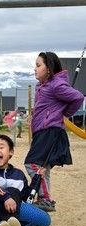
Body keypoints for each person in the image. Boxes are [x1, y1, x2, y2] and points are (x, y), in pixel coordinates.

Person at [24, 51, 84, 212]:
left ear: (49, 69)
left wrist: (65, 114)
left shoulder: (56, 85)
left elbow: (78, 97)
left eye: (38, 65)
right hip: (41, 132)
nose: (34, 69)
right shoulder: (41, 86)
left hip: (50, 130)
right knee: (43, 167)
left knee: (31, 164)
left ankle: (46, 199)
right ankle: (45, 199)